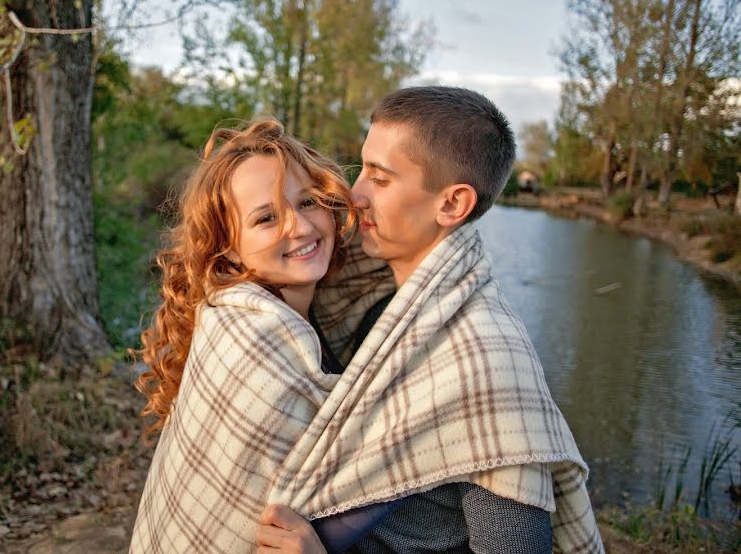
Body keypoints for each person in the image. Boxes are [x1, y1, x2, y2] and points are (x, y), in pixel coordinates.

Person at [255, 86, 603, 554]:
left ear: (452, 205)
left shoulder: (488, 367)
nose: (354, 194)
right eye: (362, 169)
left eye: (380, 178)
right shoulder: (384, 308)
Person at [128, 119, 357, 553]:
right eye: (267, 218)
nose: (301, 227)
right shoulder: (250, 338)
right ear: (229, 246)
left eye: (308, 202)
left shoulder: (269, 312)